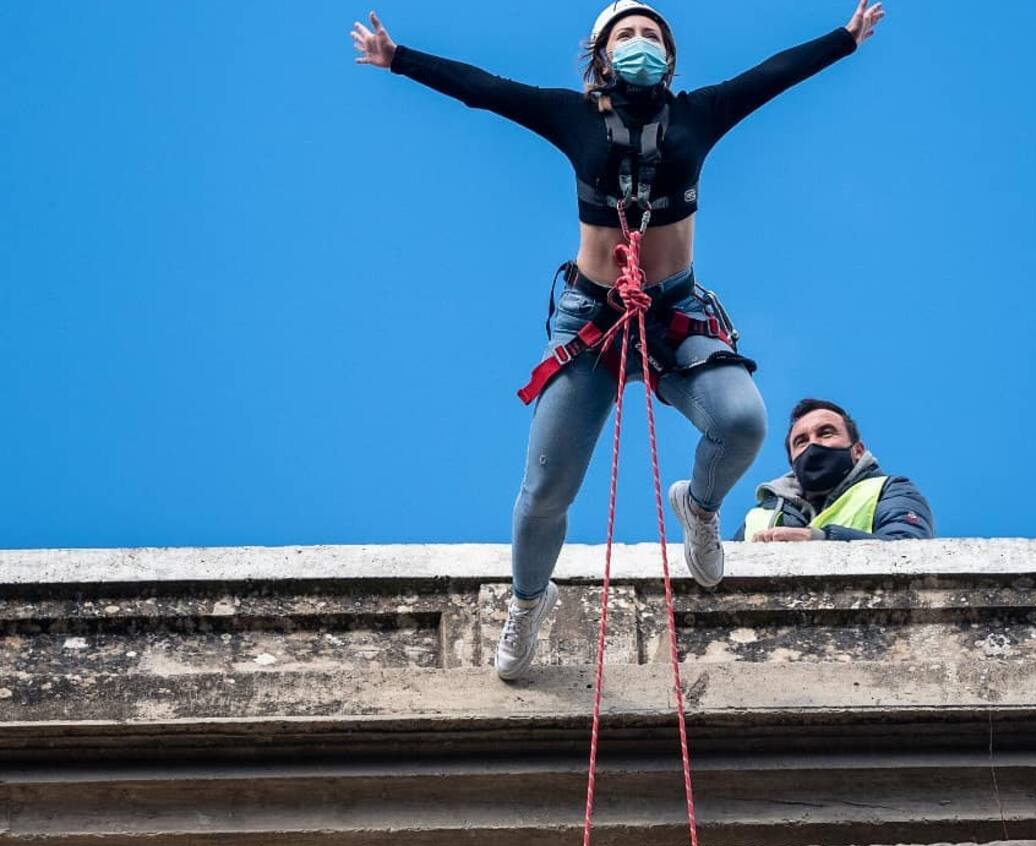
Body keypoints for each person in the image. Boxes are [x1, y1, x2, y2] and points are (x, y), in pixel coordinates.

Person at [352, 1, 887, 679]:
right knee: (545, 492)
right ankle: (528, 602)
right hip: (593, 321)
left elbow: (773, 75)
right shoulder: (572, 115)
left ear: (669, 55)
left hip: (673, 313)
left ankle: (699, 507)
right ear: (601, 56)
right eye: (626, 36)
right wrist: (400, 58)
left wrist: (843, 39)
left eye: (651, 36)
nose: (640, 45)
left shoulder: (698, 113)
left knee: (743, 421)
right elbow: (485, 90)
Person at [739, 398, 934, 542]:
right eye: (801, 441)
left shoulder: (889, 490)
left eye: (825, 433)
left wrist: (821, 540)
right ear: (792, 463)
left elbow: (909, 550)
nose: (813, 444)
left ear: (857, 451)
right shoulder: (759, 515)